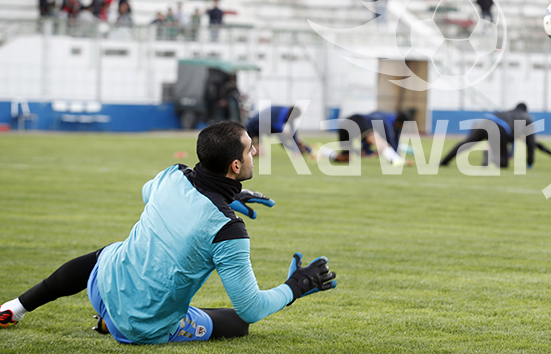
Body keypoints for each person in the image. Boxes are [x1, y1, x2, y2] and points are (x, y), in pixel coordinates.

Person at [0, 122, 336, 342]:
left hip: (102, 286)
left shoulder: (172, 176)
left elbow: (152, 194)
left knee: (111, 251)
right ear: (236, 166)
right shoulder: (228, 230)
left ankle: (14, 307)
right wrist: (295, 286)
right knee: (239, 324)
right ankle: (111, 324)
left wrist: (230, 195)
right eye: (250, 150)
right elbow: (250, 307)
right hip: (141, 327)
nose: (254, 153)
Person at [439, 103, 539, 169]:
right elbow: (531, 144)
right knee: (503, 164)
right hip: (500, 130)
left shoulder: (508, 112)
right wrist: (529, 163)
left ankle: (444, 161)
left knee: (466, 143)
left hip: (485, 122)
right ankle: (491, 156)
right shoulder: (527, 118)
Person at [316, 110, 413, 166]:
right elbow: (390, 140)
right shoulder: (387, 121)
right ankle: (395, 160)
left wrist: (366, 150)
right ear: (400, 123)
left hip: (344, 125)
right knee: (377, 140)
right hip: (357, 120)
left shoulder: (388, 117)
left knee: (346, 158)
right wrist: (396, 155)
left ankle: (322, 151)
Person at [245, 106, 311, 155]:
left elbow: (293, 133)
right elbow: (283, 141)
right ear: (291, 115)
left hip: (264, 127)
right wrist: (295, 150)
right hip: (253, 128)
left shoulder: (287, 112)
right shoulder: (278, 119)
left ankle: (306, 149)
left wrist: (306, 148)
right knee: (258, 154)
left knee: (288, 134)